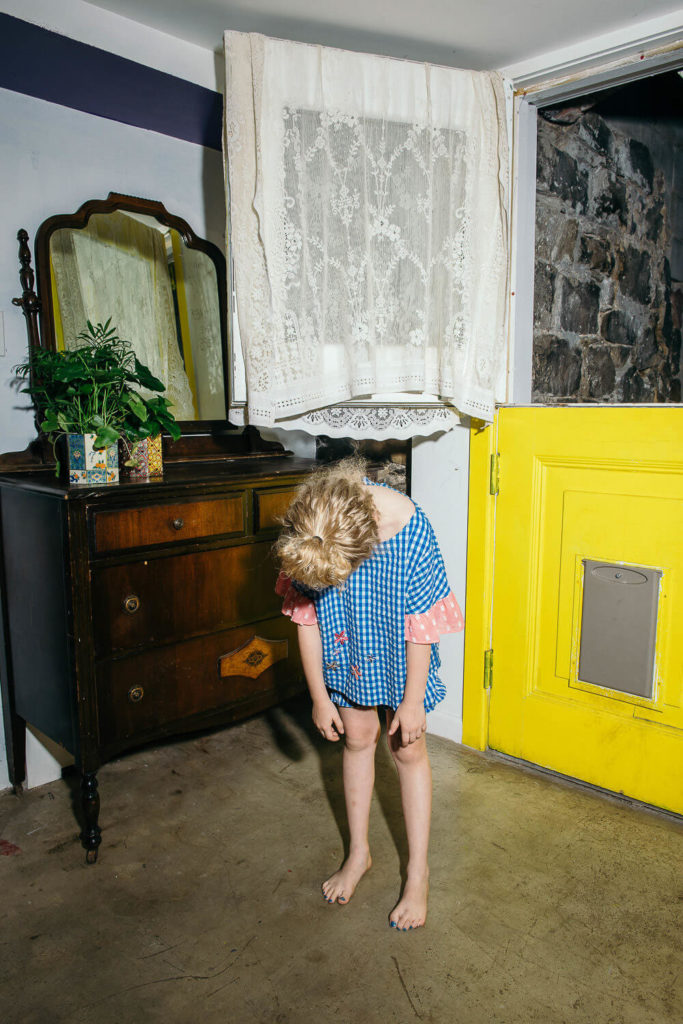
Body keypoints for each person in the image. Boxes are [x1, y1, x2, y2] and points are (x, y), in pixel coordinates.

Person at [274, 458, 463, 930]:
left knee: (408, 749)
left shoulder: (410, 532)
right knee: (358, 739)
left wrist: (413, 700)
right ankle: (358, 854)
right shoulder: (312, 524)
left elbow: (422, 630)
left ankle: (416, 874)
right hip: (348, 646)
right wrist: (319, 695)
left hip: (401, 656)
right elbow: (308, 621)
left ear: (366, 543)